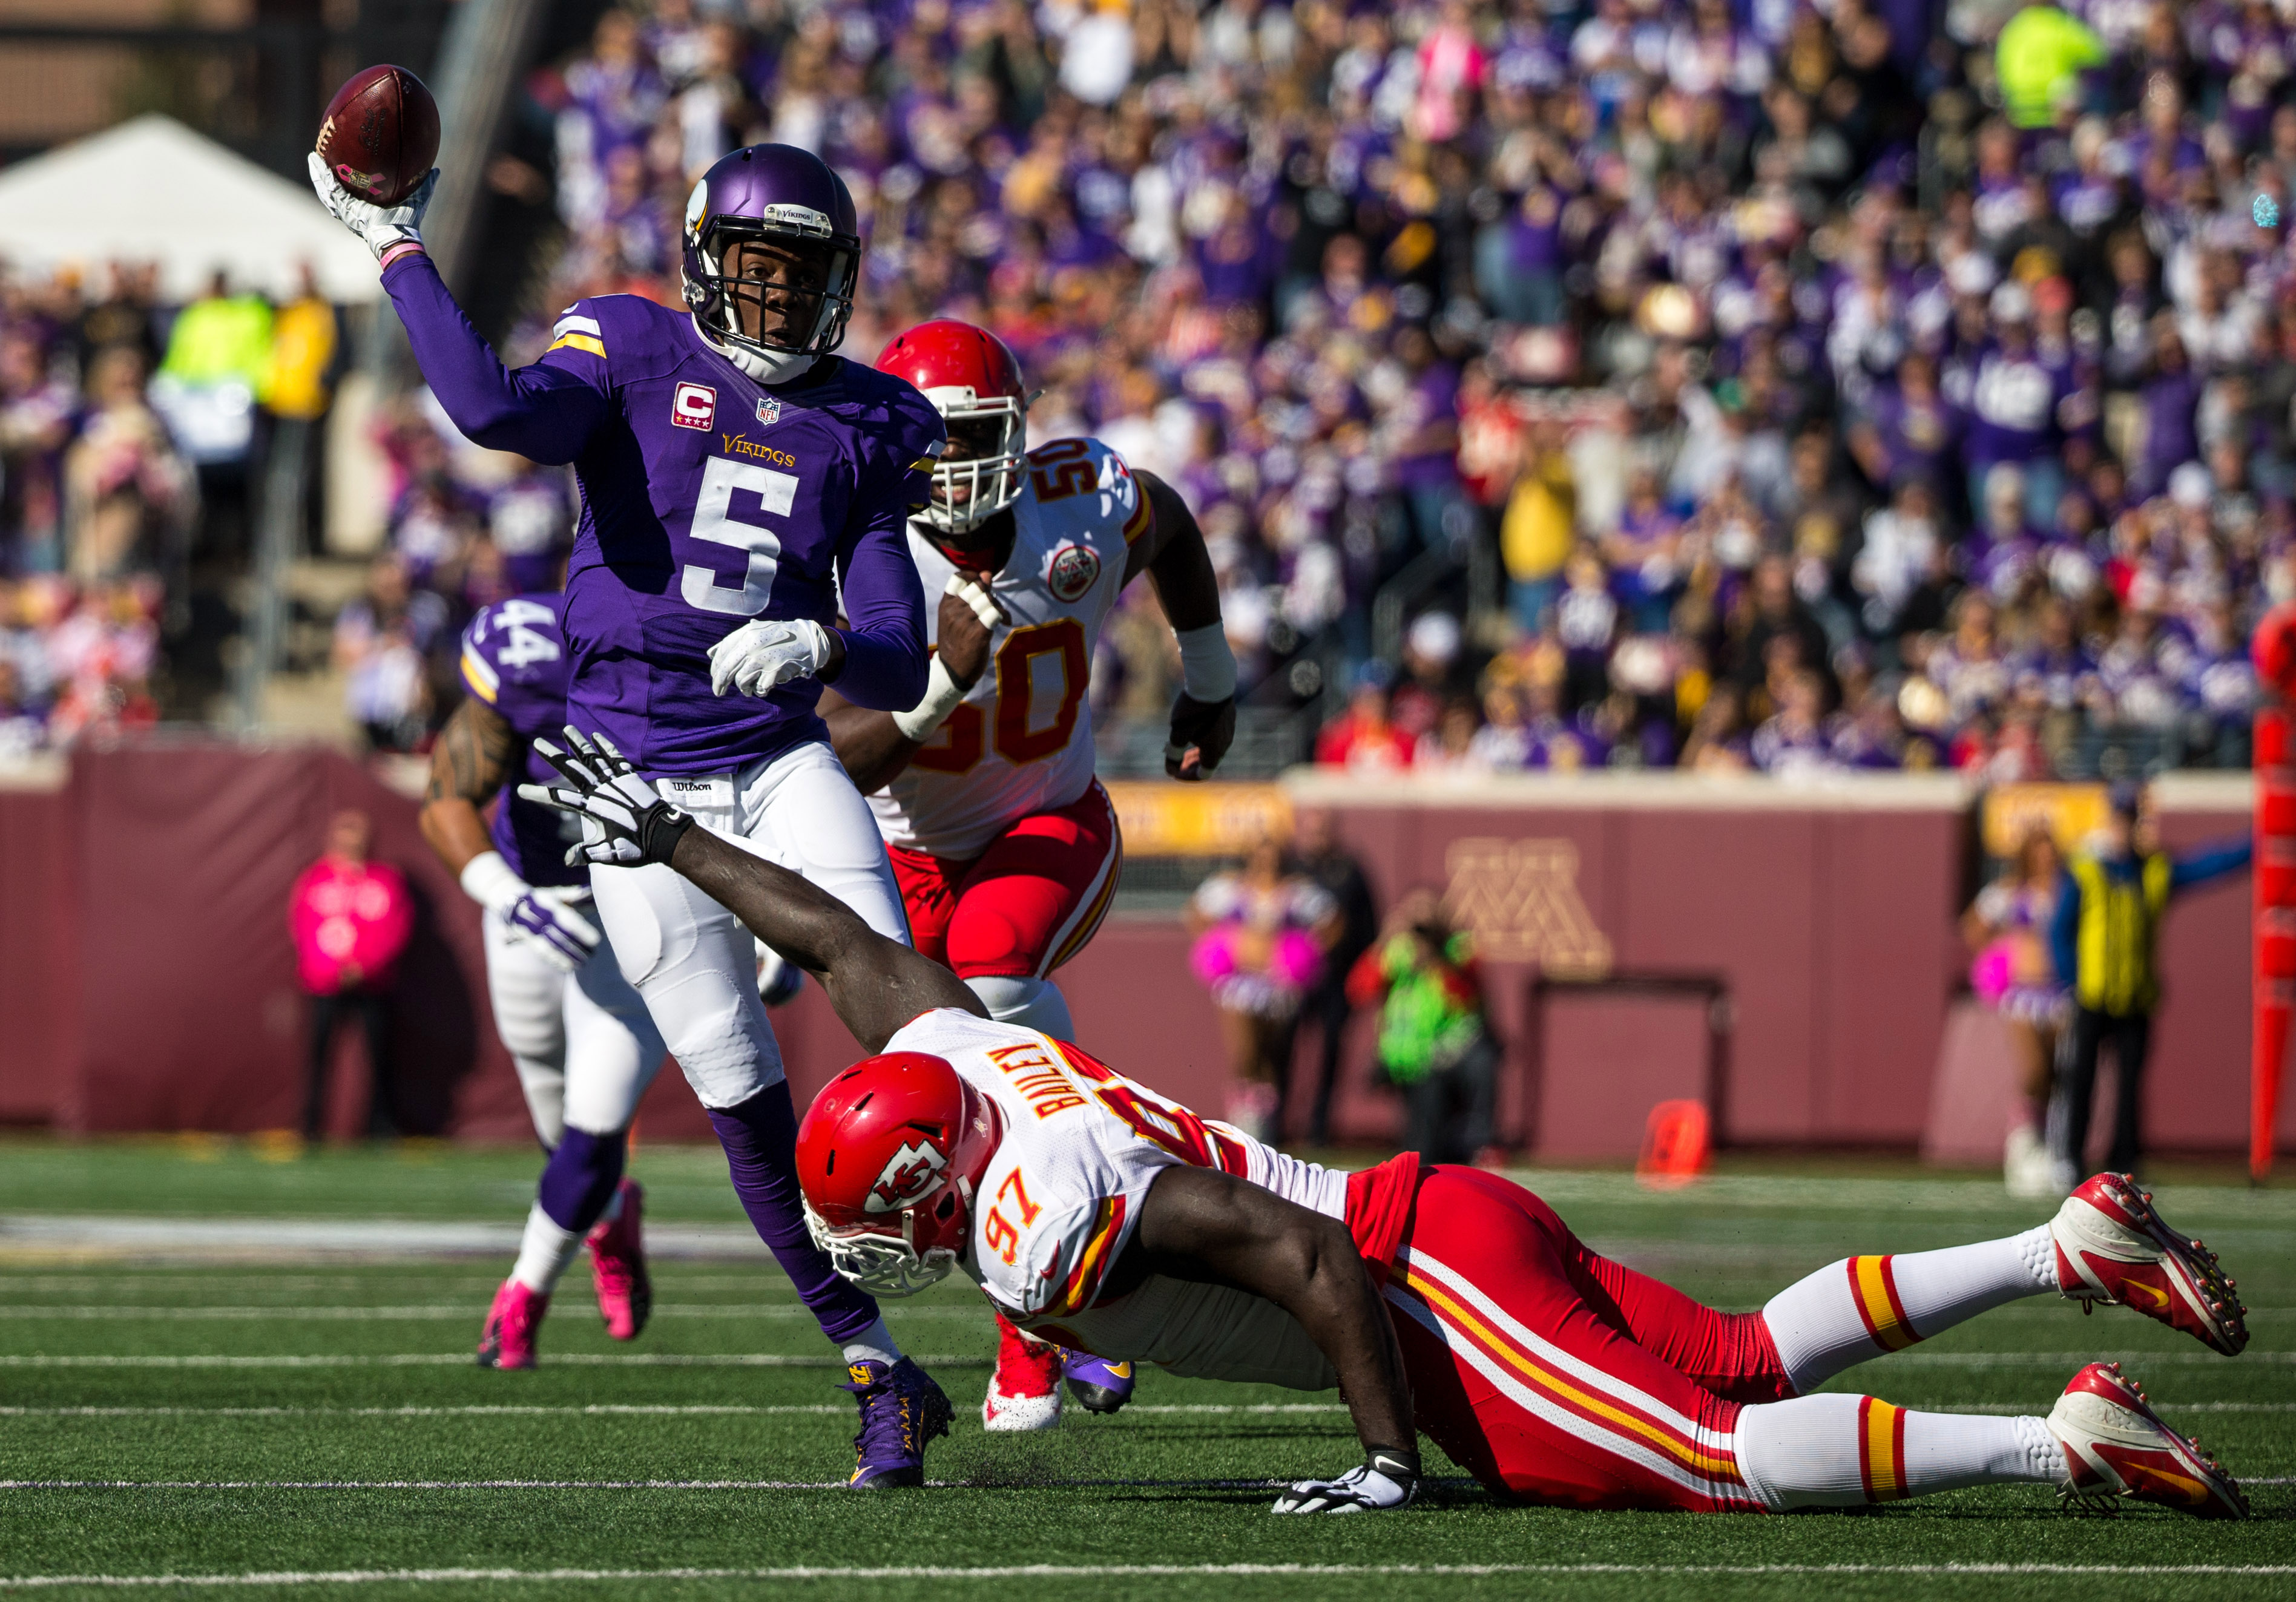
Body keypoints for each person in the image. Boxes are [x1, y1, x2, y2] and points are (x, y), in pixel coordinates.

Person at [521, 736, 2252, 1521]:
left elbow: (1301, 1253)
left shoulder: (1038, 1205)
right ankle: (2061, 1240)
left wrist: (1386, 1452)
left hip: (1423, 1292)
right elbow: (832, 940)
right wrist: (673, 832)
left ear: (922, 1179)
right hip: (1447, 1223)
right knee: (1733, 1353)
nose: (883, 1246)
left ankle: (2061, 1441)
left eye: (882, 1218)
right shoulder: (972, 1056)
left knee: (1721, 1458)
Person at [311, 142, 952, 1486]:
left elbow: (900, 650)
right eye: (759, 269)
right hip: (629, 781)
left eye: (805, 275)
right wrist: (399, 247)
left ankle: (1044, 1313)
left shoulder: (867, 418)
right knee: (739, 1097)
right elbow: (491, 411)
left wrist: (819, 641)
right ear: (709, 262)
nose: (779, 301)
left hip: (777, 760)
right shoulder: (628, 343)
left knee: (922, 1027)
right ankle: (877, 1366)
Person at [820, 318, 1235, 1431]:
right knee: (936, 1104)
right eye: (926, 443)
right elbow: (835, 752)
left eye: (969, 439)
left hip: (1046, 826)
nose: (948, 467)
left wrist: (1211, 677)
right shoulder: (859, 543)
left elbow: (1172, 522)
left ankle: (1034, 1329)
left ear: (1014, 436)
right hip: (899, 853)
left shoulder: (1081, 498)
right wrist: (939, 689)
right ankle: (1096, 1267)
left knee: (994, 975)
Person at [418, 591, 668, 1369]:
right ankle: (608, 1215)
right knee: (557, 1123)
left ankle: (521, 1296)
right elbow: (447, 797)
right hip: (529, 912)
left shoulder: (665, 665)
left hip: (633, 910)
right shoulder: (523, 662)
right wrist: (509, 896)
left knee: (595, 1126)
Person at [2048, 783, 2251, 1184]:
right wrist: (2069, 978)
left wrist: (2260, 840)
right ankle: (2069, 1158)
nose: (2124, 829)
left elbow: (2209, 864)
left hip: (2136, 997)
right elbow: (2058, 930)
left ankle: (2123, 1163)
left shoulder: (2154, 869)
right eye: (2118, 820)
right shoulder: (2085, 871)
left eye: (2130, 820)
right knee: (2080, 1081)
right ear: (2108, 823)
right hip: (2091, 995)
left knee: (2129, 1088)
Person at [1186, 835, 1339, 1141]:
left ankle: (1266, 1129)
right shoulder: (1231, 889)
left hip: (1278, 986)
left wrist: (1303, 954)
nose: (1268, 865)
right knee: (1245, 1054)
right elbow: (1196, 915)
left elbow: (1333, 923)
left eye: (1274, 859)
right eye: (1261, 858)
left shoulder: (1298, 893)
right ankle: (1244, 1127)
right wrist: (1226, 944)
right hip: (1239, 984)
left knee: (1273, 1058)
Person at [1347, 887, 1499, 1166]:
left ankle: (1480, 1143)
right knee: (1424, 1137)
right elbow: (1359, 989)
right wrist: (1386, 939)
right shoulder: (1397, 950)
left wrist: (1437, 957)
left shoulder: (1457, 949)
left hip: (1451, 1049)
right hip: (1411, 1056)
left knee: (1478, 1071)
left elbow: (1468, 994)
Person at [288, 809, 413, 1141]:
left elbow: (395, 929)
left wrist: (364, 966)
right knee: (319, 1055)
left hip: (372, 983)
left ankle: (380, 1125)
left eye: (356, 832)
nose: (350, 840)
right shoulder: (316, 879)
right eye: (344, 832)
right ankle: (312, 1125)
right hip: (325, 983)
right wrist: (333, 969)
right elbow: (305, 929)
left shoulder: (385, 879)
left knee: (380, 1057)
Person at [1962, 826, 2070, 1197]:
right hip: (2025, 995)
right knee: (2033, 1072)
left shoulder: (2068, 891)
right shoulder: (2012, 893)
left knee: (2059, 1077)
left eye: (2050, 850)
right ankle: (2022, 1145)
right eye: (2038, 851)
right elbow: (1973, 926)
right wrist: (2003, 952)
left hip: (2061, 995)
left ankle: (2053, 1152)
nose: (2045, 858)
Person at [1287, 807, 1378, 1146]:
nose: (1316, 839)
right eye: (1311, 831)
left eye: (1323, 831)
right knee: (1283, 1052)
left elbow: (1368, 925)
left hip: (1336, 978)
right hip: (1292, 979)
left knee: (1331, 1052)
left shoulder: (1349, 871)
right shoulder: (1290, 868)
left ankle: (1319, 1127)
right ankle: (1278, 1121)